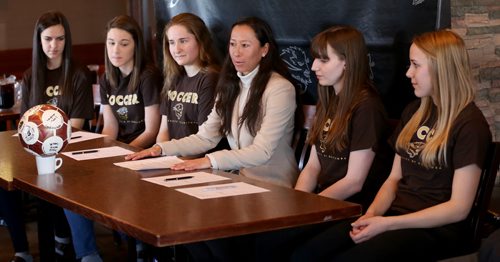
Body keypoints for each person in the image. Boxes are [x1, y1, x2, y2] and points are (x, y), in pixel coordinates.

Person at [291, 29, 492, 262]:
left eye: (416, 65)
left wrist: (388, 224)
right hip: (394, 216)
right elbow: (393, 179)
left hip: (436, 230)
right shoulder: (414, 111)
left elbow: (459, 208)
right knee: (306, 254)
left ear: (442, 67)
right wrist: (371, 216)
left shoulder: (470, 124)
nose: (408, 73)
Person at [255, 25, 392, 261]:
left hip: (354, 208)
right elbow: (312, 167)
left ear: (347, 61)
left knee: (301, 252)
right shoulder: (329, 100)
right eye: (315, 58)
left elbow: (354, 182)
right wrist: (296, 204)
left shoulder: (366, 107)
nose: (314, 67)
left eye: (323, 60)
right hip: (324, 202)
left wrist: (310, 209)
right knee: (262, 238)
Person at [126, 16, 299, 188]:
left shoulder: (280, 89)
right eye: (232, 44)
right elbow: (206, 137)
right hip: (240, 183)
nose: (236, 52)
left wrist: (208, 160)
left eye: (245, 45)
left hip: (273, 186)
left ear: (264, 49)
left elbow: (263, 151)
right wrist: (160, 149)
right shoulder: (231, 85)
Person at [64, 15, 162, 262]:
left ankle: (141, 244)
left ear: (136, 46)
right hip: (120, 152)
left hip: (146, 154)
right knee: (70, 186)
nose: (115, 50)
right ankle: (88, 255)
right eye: (111, 43)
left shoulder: (148, 76)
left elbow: (151, 131)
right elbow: (110, 126)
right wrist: (100, 150)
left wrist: (119, 153)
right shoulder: (108, 78)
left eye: (124, 43)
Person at [0, 11, 95, 262]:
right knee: (7, 181)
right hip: (37, 152)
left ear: (67, 40)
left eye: (60, 39)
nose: (54, 45)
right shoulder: (31, 75)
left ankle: (65, 240)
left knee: (51, 184)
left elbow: (75, 125)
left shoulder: (79, 73)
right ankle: (27, 249)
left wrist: (47, 144)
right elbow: (26, 124)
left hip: (70, 151)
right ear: (38, 41)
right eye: (48, 39)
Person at [157, 12, 219, 143]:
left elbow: (203, 141)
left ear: (200, 41)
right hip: (172, 157)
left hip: (195, 159)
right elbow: (163, 131)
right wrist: (160, 155)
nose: (176, 49)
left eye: (183, 41)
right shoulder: (173, 77)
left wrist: (178, 161)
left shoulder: (210, 78)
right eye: (171, 42)